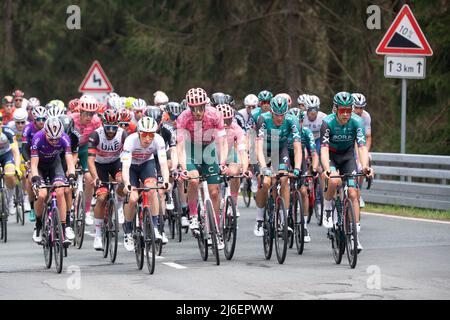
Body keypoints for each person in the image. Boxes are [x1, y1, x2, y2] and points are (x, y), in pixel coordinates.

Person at [320, 92, 374, 252]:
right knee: (335, 181)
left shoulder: (357, 122)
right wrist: (327, 169)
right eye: (342, 111)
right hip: (331, 156)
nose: (345, 114)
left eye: (348, 111)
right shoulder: (327, 122)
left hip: (348, 157)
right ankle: (328, 206)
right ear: (335, 110)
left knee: (352, 193)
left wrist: (365, 166)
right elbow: (323, 149)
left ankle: (354, 236)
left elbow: (362, 147)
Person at [176, 88, 228, 249]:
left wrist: (222, 163)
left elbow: (222, 142)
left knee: (214, 191)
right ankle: (192, 215)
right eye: (193, 108)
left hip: (208, 149)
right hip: (191, 149)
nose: (197, 112)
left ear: (206, 105)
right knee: (193, 178)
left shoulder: (215, 115)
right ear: (188, 107)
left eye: (200, 108)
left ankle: (217, 231)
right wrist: (183, 167)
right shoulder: (183, 118)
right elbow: (179, 146)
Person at [253, 96, 302, 237]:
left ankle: (283, 219)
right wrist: (263, 168)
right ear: (271, 112)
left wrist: (297, 167)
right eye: (276, 115)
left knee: (284, 179)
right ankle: (260, 219)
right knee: (266, 182)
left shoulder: (291, 120)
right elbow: (258, 146)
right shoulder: (263, 119)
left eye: (282, 115)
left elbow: (297, 147)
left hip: (280, 150)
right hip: (263, 151)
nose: (280, 118)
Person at [121, 117, 170, 251]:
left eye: (151, 135)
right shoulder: (130, 140)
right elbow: (125, 167)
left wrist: (165, 181)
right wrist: (127, 183)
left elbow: (163, 165)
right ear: (138, 133)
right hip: (131, 167)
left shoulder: (158, 140)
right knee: (133, 198)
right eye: (144, 134)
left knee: (152, 190)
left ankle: (154, 227)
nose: (148, 138)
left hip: (146, 164)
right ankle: (128, 230)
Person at [30, 117, 76, 246]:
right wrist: (35, 178)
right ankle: (38, 225)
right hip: (39, 166)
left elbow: (69, 160)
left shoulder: (65, 138)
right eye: (51, 139)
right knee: (42, 194)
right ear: (45, 133)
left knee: (60, 190)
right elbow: (33, 165)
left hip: (54, 165)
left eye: (57, 139)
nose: (55, 142)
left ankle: (62, 229)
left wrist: (71, 175)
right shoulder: (38, 138)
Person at [88, 109, 127, 250]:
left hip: (116, 162)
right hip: (100, 165)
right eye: (108, 128)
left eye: (114, 128)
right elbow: (90, 161)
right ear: (103, 125)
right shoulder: (96, 135)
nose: (111, 131)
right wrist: (96, 178)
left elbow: (127, 155)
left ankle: (119, 204)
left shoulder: (123, 134)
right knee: (101, 198)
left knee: (123, 181)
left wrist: (125, 173)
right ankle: (98, 235)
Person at [287, 108, 319, 243]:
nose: (296, 123)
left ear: (302, 121)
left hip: (300, 161)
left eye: (299, 121)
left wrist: (315, 168)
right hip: (285, 159)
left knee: (304, 191)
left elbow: (314, 153)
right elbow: (274, 150)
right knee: (282, 185)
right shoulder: (283, 130)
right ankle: (280, 217)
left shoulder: (306, 132)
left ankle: (304, 226)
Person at [70, 95, 102, 226]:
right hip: (71, 148)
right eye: (86, 113)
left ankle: (87, 210)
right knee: (69, 174)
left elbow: (99, 139)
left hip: (86, 149)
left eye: (92, 114)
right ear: (80, 111)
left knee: (90, 179)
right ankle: (71, 204)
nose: (89, 117)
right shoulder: (71, 119)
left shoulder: (96, 121)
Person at [215, 103, 251, 217]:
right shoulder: (210, 128)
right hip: (212, 154)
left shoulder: (236, 128)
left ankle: (233, 203)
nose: (225, 125)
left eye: (228, 121)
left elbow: (242, 150)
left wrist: (244, 169)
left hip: (229, 153)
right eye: (222, 121)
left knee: (236, 171)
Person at [22, 106, 48, 222]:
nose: (41, 122)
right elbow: (24, 148)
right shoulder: (28, 129)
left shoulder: (49, 128)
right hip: (31, 157)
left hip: (45, 158)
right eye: (39, 119)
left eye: (43, 119)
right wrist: (28, 160)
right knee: (29, 179)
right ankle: (32, 207)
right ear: (34, 119)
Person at [7, 108, 31, 214]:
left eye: (23, 122)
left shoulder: (29, 126)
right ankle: (11, 200)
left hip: (25, 150)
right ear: (14, 121)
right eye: (18, 123)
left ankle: (26, 198)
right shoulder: (10, 127)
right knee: (11, 173)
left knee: (25, 171)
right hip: (13, 150)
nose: (20, 125)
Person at [0, 112, 23, 219]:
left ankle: (9, 202)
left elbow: (15, 151)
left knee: (10, 174)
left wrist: (17, 167)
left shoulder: (7, 131)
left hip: (6, 155)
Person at [352, 93, 371, 208]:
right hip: (348, 142)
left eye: (361, 107)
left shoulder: (366, 116)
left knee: (363, 164)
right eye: (356, 107)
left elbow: (368, 136)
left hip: (360, 142)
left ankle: (359, 190)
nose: (359, 110)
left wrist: (365, 152)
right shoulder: (346, 115)